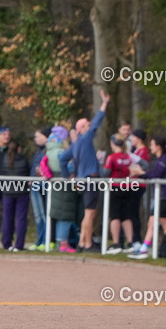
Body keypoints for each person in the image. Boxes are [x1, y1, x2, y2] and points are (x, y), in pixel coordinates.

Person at [60, 88, 110, 251]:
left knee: (88, 212)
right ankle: (87, 243)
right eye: (87, 125)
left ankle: (82, 242)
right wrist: (104, 104)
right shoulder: (85, 138)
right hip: (90, 179)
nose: (90, 127)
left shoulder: (75, 145)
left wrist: (69, 176)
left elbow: (63, 158)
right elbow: (97, 122)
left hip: (83, 179)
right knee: (90, 213)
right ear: (82, 128)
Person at [129, 137, 166, 259]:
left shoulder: (165, 158)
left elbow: (156, 174)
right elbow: (152, 174)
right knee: (165, 224)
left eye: (152, 145)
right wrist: (141, 174)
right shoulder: (159, 159)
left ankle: (144, 249)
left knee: (153, 222)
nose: (150, 147)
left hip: (164, 196)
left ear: (158, 146)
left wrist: (141, 173)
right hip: (160, 196)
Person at [102, 135, 137, 253]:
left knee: (115, 216)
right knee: (126, 216)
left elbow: (105, 172)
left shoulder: (112, 157)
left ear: (113, 144)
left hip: (115, 187)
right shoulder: (129, 156)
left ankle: (116, 244)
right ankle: (130, 243)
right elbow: (143, 164)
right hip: (128, 187)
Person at [0, 139, 29, 251]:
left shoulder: (5, 159)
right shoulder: (24, 160)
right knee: (21, 219)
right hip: (22, 192)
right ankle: (19, 244)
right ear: (19, 148)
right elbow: (27, 172)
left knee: (7, 218)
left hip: (8, 192)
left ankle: (6, 243)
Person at [28, 126, 52, 250]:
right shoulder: (38, 152)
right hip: (35, 186)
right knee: (38, 216)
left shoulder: (48, 151)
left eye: (38, 136)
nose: (35, 139)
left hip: (44, 187)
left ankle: (45, 240)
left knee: (44, 214)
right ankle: (39, 240)